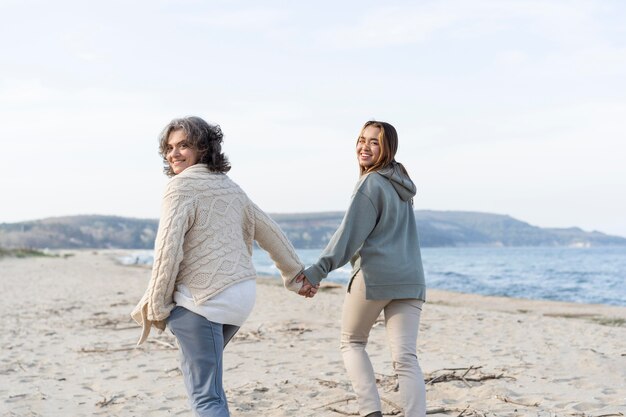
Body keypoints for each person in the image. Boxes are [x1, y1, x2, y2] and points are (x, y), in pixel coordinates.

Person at [131, 116, 310, 417]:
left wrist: (158, 305)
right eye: (170, 147)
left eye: (183, 145)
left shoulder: (179, 187)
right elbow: (269, 231)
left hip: (202, 299)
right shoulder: (230, 187)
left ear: (203, 148)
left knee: (205, 398)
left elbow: (166, 251)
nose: (174, 153)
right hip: (240, 296)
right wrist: (295, 275)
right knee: (211, 386)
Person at [298, 121, 427, 417]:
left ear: (387, 148)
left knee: (352, 342)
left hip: (375, 277)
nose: (364, 147)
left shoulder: (371, 183)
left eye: (374, 142)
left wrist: (316, 272)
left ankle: (371, 412)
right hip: (411, 279)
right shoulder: (402, 184)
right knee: (406, 359)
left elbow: (347, 236)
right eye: (361, 140)